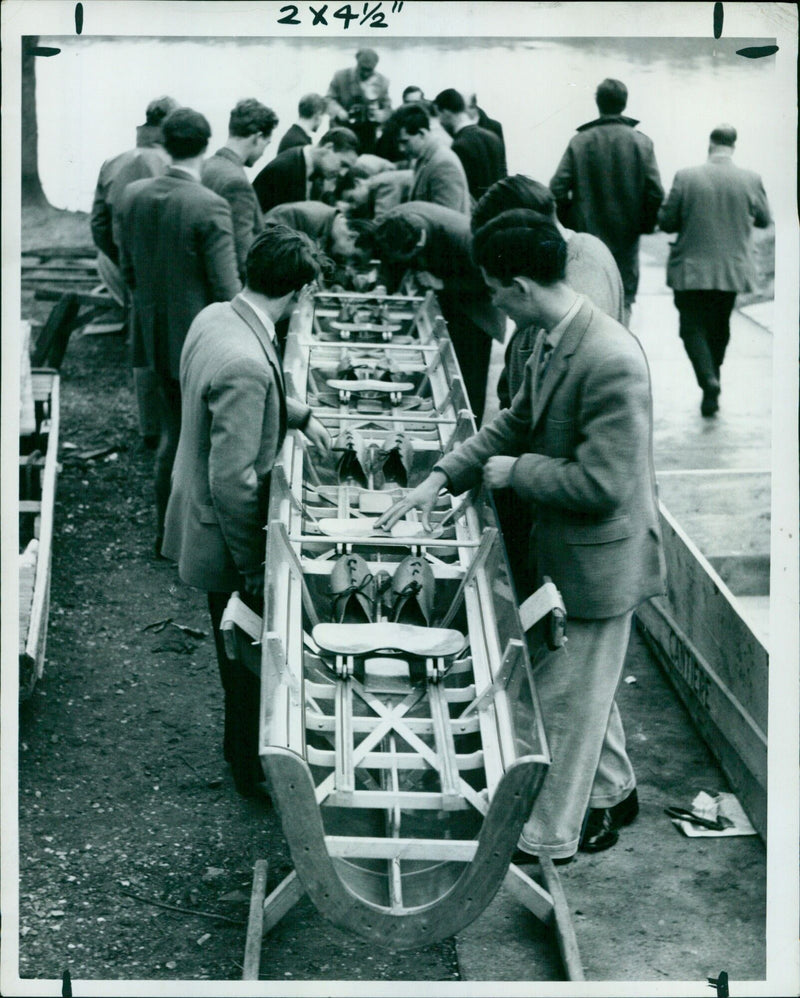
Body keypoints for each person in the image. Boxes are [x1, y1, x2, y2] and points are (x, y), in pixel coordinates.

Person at [376, 211, 666, 862]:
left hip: (599, 565)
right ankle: (614, 791)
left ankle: (548, 840)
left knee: (562, 705)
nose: (492, 301)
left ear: (522, 286)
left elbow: (604, 486)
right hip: (565, 551)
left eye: (495, 289)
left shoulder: (611, 359)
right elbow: (514, 421)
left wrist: (518, 473)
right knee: (584, 687)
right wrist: (440, 478)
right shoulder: (549, 334)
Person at [162, 226, 331, 798]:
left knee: (234, 647)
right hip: (224, 532)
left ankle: (246, 754)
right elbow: (232, 480)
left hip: (192, 505)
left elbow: (237, 390)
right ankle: (249, 769)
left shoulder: (217, 316)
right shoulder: (248, 364)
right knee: (242, 655)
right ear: (301, 290)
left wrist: (299, 414)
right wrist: (255, 567)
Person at [472, 175, 625, 597]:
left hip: (557, 490)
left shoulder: (582, 267)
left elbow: (570, 372)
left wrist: (521, 469)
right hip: (540, 462)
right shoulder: (569, 260)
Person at [117, 108, 241, 556]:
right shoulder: (209, 204)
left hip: (153, 337)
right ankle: (192, 540)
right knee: (201, 444)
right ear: (206, 147)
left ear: (165, 144)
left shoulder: (131, 195)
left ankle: (162, 535)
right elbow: (229, 292)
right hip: (202, 344)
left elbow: (128, 270)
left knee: (172, 437)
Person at [657, 124, 771, 416]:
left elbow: (667, 222)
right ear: (734, 146)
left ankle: (707, 380)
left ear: (710, 144)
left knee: (691, 326)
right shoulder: (751, 179)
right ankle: (713, 383)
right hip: (731, 270)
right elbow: (763, 220)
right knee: (719, 326)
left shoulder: (686, 176)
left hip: (691, 270)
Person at [90, 95, 179, 446]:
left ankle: (148, 427)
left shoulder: (113, 161)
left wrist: (119, 258)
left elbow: (98, 223)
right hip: (163, 267)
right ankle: (165, 425)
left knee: (139, 343)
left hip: (124, 262)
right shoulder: (171, 163)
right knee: (163, 341)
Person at [372, 201, 505, 424]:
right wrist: (383, 286)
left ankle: (467, 428)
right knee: (437, 366)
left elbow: (488, 282)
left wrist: (442, 283)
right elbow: (388, 257)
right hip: (445, 298)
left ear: (420, 242)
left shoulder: (467, 239)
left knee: (467, 376)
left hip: (476, 308)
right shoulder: (394, 221)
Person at [550, 78, 664, 324]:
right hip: (626, 241)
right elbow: (655, 192)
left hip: (587, 238)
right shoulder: (641, 143)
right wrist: (642, 225)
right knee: (623, 301)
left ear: (597, 103)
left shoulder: (580, 142)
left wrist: (571, 222)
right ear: (625, 103)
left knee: (586, 301)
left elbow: (557, 189)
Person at [201, 98, 278, 280]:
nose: (263, 153)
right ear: (257, 137)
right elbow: (243, 255)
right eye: (266, 144)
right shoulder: (237, 183)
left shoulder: (204, 167)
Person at [252, 127, 359, 214]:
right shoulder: (284, 170)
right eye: (343, 164)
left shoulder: (314, 168)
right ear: (328, 147)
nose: (342, 173)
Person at [394, 103, 470, 215]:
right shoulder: (427, 158)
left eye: (405, 142)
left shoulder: (443, 163)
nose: (401, 149)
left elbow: (447, 219)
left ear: (422, 133)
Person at [433, 88, 506, 203]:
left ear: (446, 112)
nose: (440, 122)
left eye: (439, 116)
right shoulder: (493, 137)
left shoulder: (459, 146)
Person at [326, 48, 392, 155]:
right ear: (357, 63)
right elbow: (328, 99)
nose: (366, 73)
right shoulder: (340, 77)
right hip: (342, 129)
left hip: (367, 134)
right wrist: (339, 111)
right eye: (363, 69)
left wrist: (381, 115)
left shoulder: (383, 82)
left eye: (369, 70)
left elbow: (388, 108)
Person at [374, 85, 425, 163]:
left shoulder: (427, 121)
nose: (412, 105)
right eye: (408, 102)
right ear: (403, 102)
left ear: (422, 102)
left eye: (416, 102)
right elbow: (382, 151)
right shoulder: (393, 123)